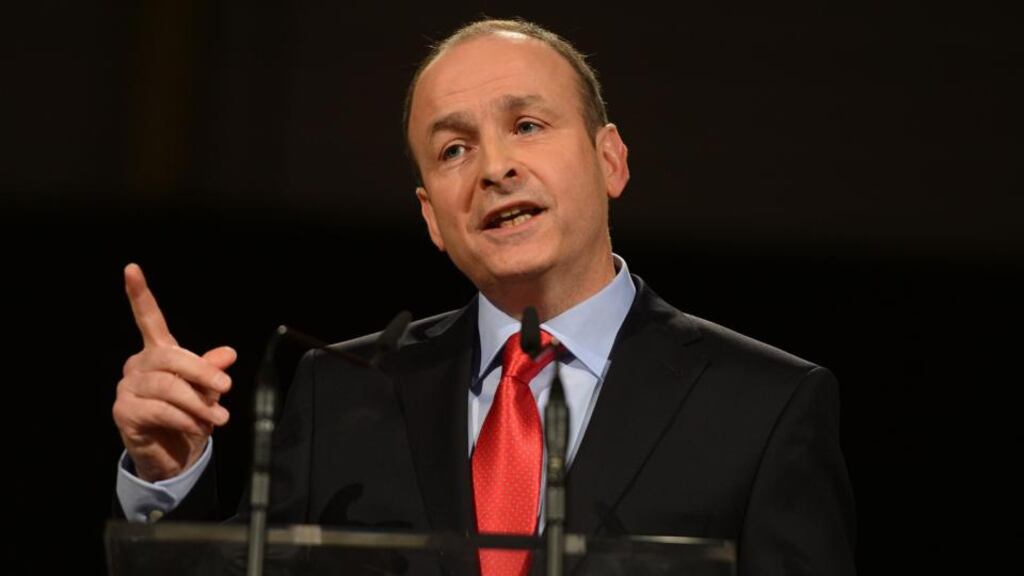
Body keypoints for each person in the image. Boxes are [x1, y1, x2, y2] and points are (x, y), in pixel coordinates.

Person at [112, 18, 856, 575]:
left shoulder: (764, 407)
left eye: (527, 126)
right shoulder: (342, 392)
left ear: (611, 160)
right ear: (433, 216)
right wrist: (168, 478)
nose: (495, 167)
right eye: (454, 150)